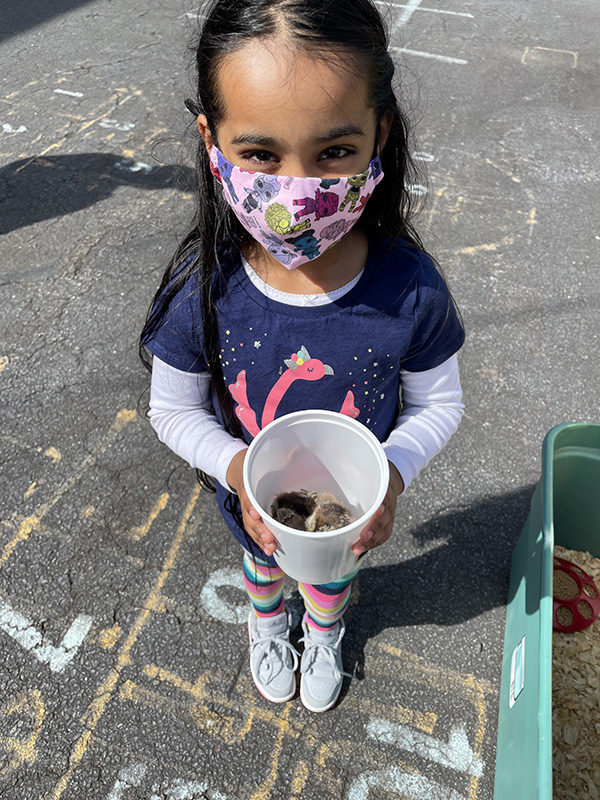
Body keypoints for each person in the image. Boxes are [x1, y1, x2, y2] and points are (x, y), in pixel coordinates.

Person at [140, 0, 465, 713]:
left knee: (328, 578)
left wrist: (392, 474)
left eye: (334, 153)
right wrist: (237, 470)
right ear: (211, 139)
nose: (296, 190)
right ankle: (266, 622)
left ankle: (323, 631)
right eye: (259, 154)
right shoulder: (206, 285)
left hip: (351, 511)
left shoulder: (409, 288)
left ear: (379, 132)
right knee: (262, 563)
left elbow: (441, 401)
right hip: (254, 502)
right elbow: (172, 406)